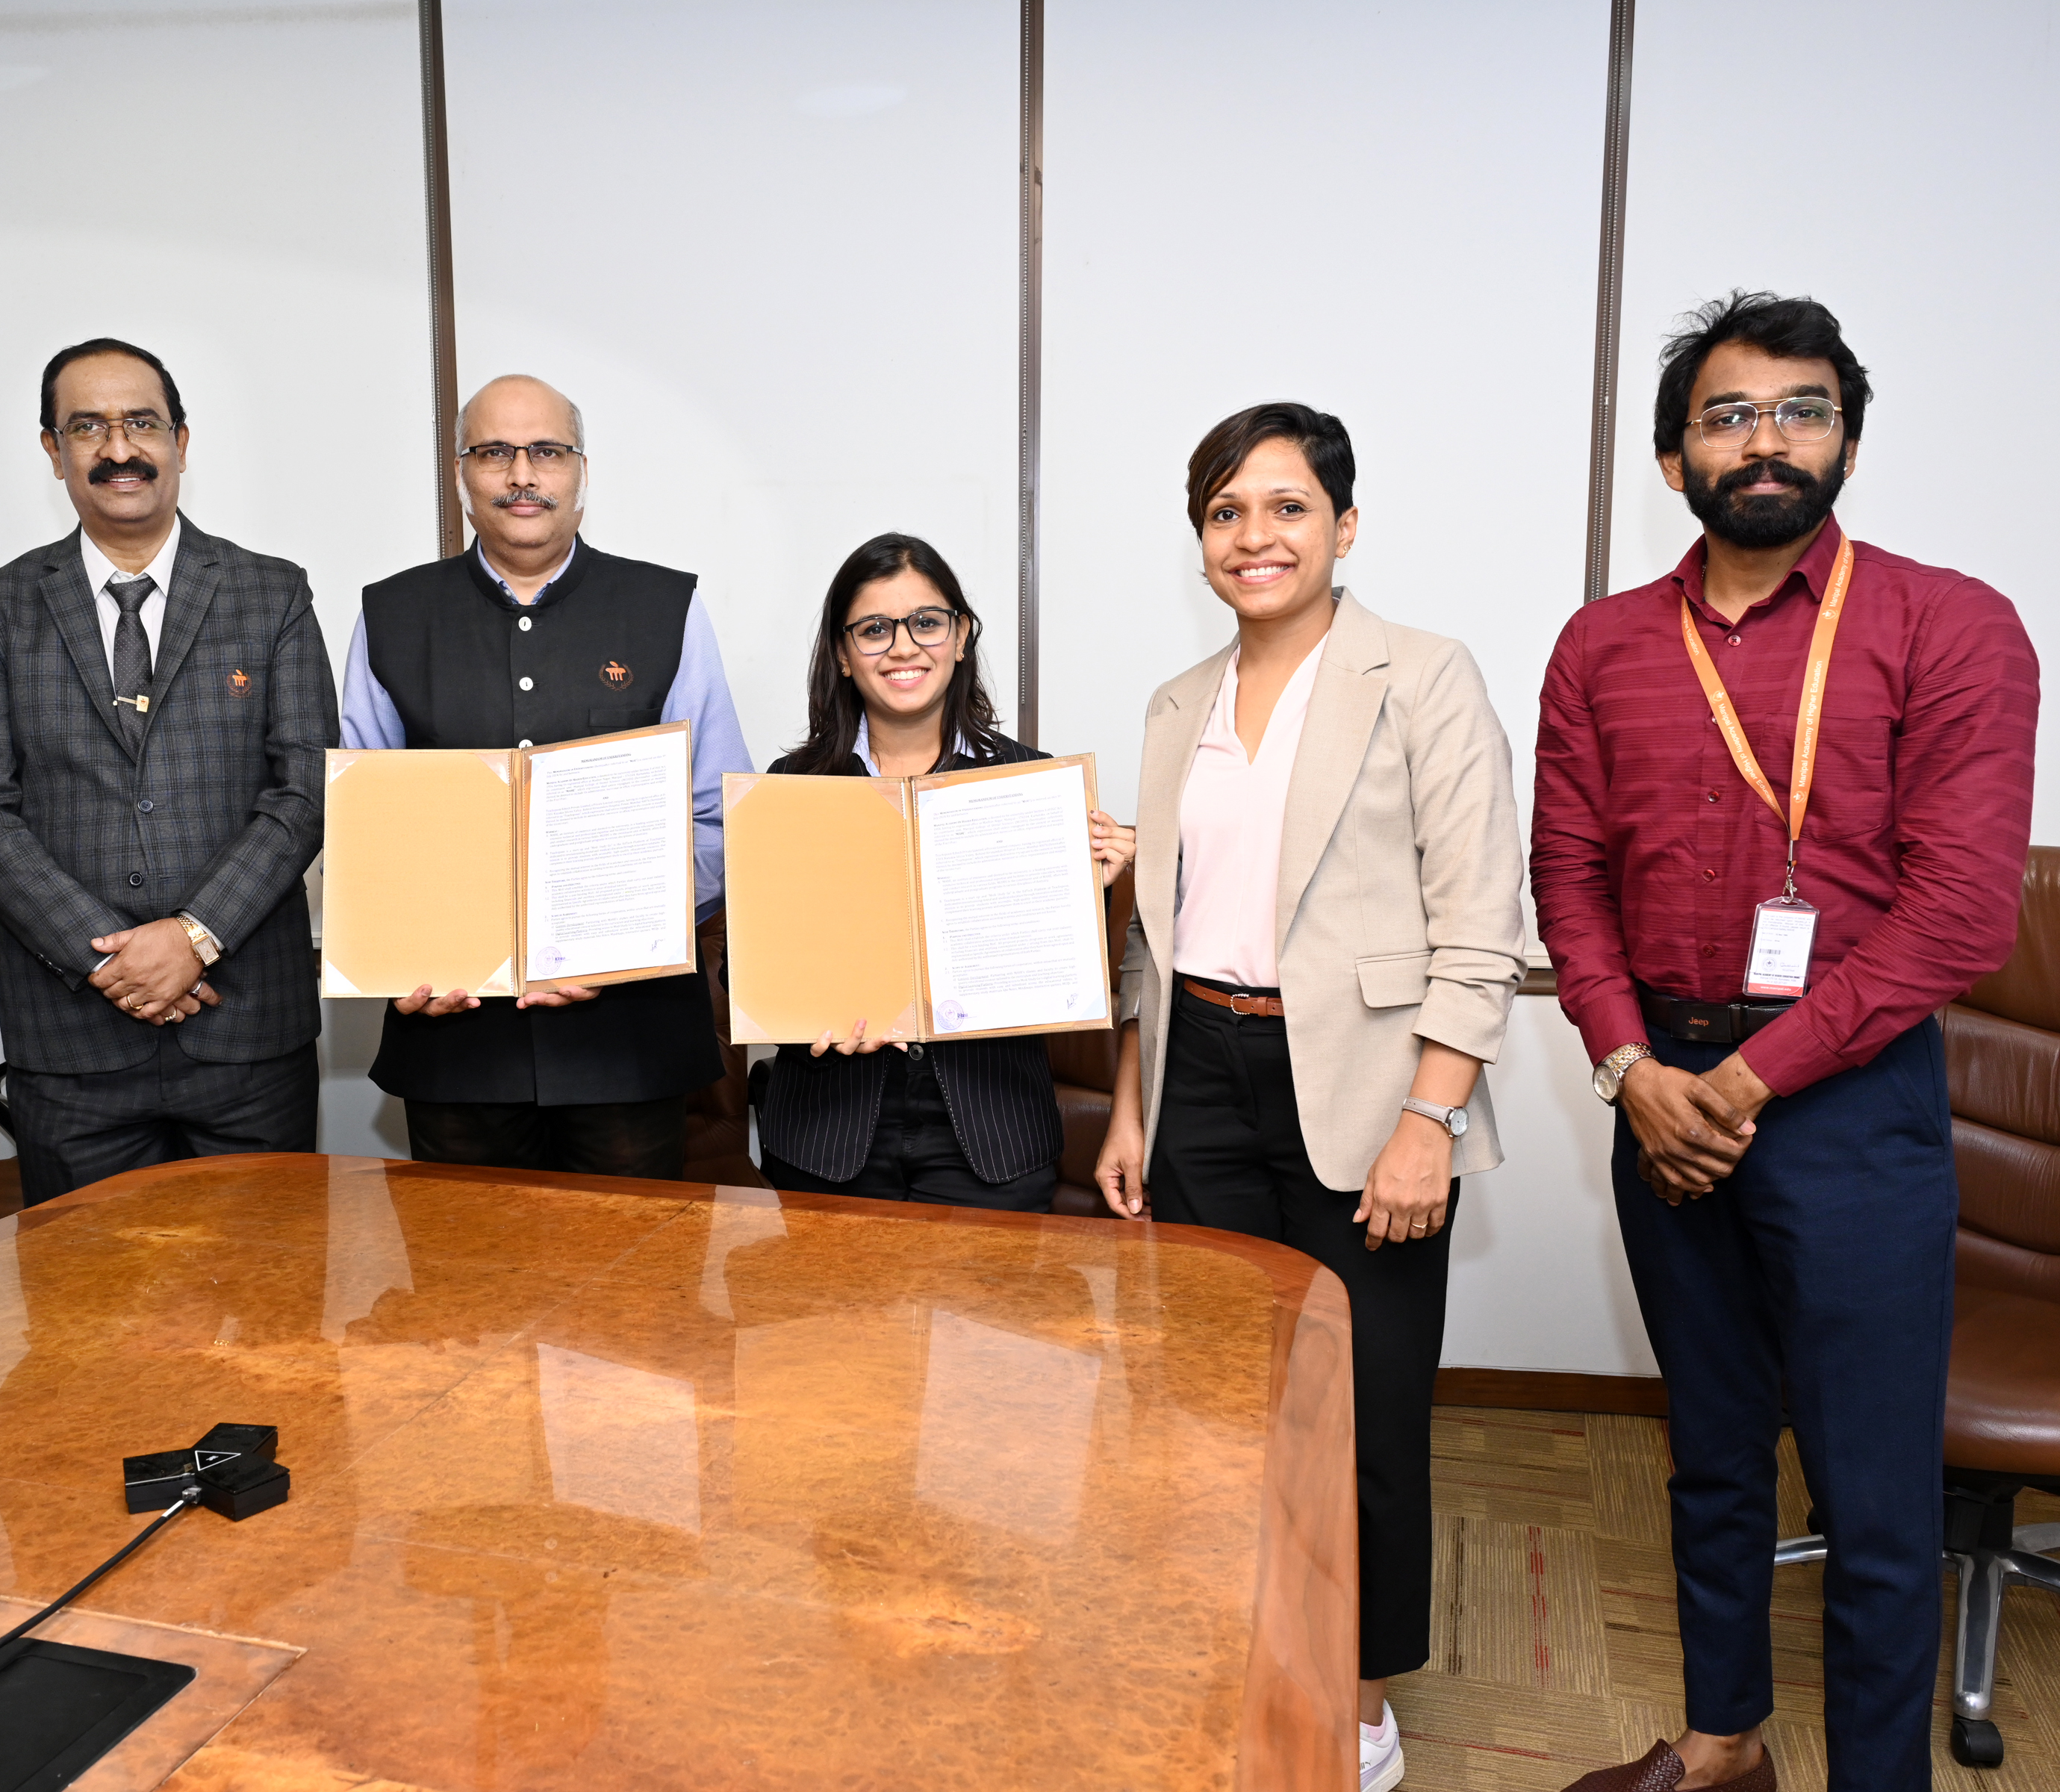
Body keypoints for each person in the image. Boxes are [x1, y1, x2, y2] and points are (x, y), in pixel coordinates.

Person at [1534, 294, 2038, 1792]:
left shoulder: (1951, 626)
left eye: (1801, 410)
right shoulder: (1603, 645)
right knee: (1709, 1453)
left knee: (1874, 1500)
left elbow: (1960, 918)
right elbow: (1569, 877)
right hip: (1660, 1094)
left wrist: (1740, 1084)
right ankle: (1723, 1744)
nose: (1765, 440)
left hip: (1848, 1109)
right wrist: (1632, 1073)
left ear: (1850, 444)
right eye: (1728, 414)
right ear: (1674, 459)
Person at [1094, 402, 1525, 1791]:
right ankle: (1256, 1647)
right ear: (1200, 541)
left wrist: (1430, 1120)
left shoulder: (1423, 675)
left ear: (1344, 526)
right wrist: (1132, 1105)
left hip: (1364, 1087)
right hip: (1199, 1079)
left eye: (1286, 507)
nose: (1255, 536)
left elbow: (1482, 927)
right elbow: (1156, 936)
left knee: (1368, 1412)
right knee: (1221, 1404)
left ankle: (1360, 1698)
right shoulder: (1177, 704)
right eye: (1226, 512)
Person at [0, 337, 337, 1204]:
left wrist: (194, 937)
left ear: (180, 442)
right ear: (54, 451)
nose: (119, 449)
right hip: (73, 1037)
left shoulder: (272, 594)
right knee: (83, 1287)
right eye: (88, 428)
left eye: (142, 424)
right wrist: (110, 959)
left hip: (246, 1032)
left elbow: (307, 789)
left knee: (269, 1282)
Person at [343, 374, 754, 1178]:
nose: (522, 474)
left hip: (628, 1041)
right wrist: (400, 955)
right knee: (467, 1256)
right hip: (456, 1039)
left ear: (581, 471)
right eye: (495, 452)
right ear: (461, 474)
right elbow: (365, 827)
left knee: (630, 1258)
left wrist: (620, 943)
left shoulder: (666, 606)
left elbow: (716, 816)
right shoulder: (392, 615)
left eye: (547, 451)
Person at [755, 532, 1133, 1209]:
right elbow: (752, 971)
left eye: (926, 623)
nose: (903, 647)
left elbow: (1061, 976)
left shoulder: (1031, 784)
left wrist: (1087, 893)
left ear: (960, 638)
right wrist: (803, 1012)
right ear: (842, 654)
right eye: (874, 630)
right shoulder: (789, 787)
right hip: (827, 1135)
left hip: (994, 1134)